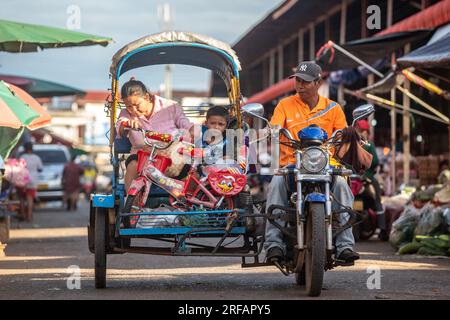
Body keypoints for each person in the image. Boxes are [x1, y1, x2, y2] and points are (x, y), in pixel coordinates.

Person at [265, 61, 360, 265]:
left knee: (343, 186)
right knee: (275, 185)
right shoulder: (284, 105)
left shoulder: (333, 108)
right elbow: (274, 127)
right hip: (292, 165)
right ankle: (273, 244)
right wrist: (270, 131)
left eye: (306, 81)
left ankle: (345, 246)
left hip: (325, 166)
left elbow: (342, 135)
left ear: (318, 83)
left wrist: (348, 135)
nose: (300, 85)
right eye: (298, 80)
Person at [116, 78, 195, 192]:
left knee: (192, 166)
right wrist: (127, 124)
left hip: (170, 155)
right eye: (129, 106)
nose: (133, 110)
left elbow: (185, 124)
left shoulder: (171, 106)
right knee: (133, 165)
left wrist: (192, 131)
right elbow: (120, 126)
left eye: (137, 105)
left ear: (147, 97)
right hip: (142, 156)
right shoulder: (125, 113)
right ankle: (131, 204)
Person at [355, 120, 388, 241]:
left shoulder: (350, 143)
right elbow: (375, 162)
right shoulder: (368, 144)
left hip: (352, 177)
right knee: (377, 201)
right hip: (367, 177)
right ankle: (382, 229)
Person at [18, 142, 43, 222]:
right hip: (33, 181)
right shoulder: (37, 158)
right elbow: (40, 169)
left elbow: (18, 168)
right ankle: (29, 216)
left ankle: (23, 215)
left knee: (21, 199)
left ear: (25, 149)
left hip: (22, 181)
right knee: (30, 199)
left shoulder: (22, 157)